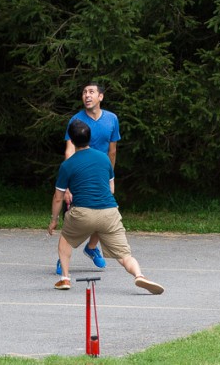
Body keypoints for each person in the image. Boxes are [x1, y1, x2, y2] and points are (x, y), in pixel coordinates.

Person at [47, 120, 163, 294]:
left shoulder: (67, 165)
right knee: (125, 256)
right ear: (90, 138)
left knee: (65, 242)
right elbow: (111, 188)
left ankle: (64, 278)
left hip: (82, 213)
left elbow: (58, 198)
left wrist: (54, 220)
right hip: (109, 212)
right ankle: (139, 275)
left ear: (71, 139)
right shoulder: (103, 158)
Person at [56, 82, 121, 275]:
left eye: (91, 92)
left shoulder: (112, 119)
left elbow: (113, 151)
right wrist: (68, 186)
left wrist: (111, 177)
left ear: (100, 97)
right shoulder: (75, 120)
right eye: (84, 92)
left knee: (104, 212)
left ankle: (92, 247)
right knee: (72, 218)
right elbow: (69, 150)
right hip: (79, 175)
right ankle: (62, 260)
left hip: (101, 173)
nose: (87, 95)